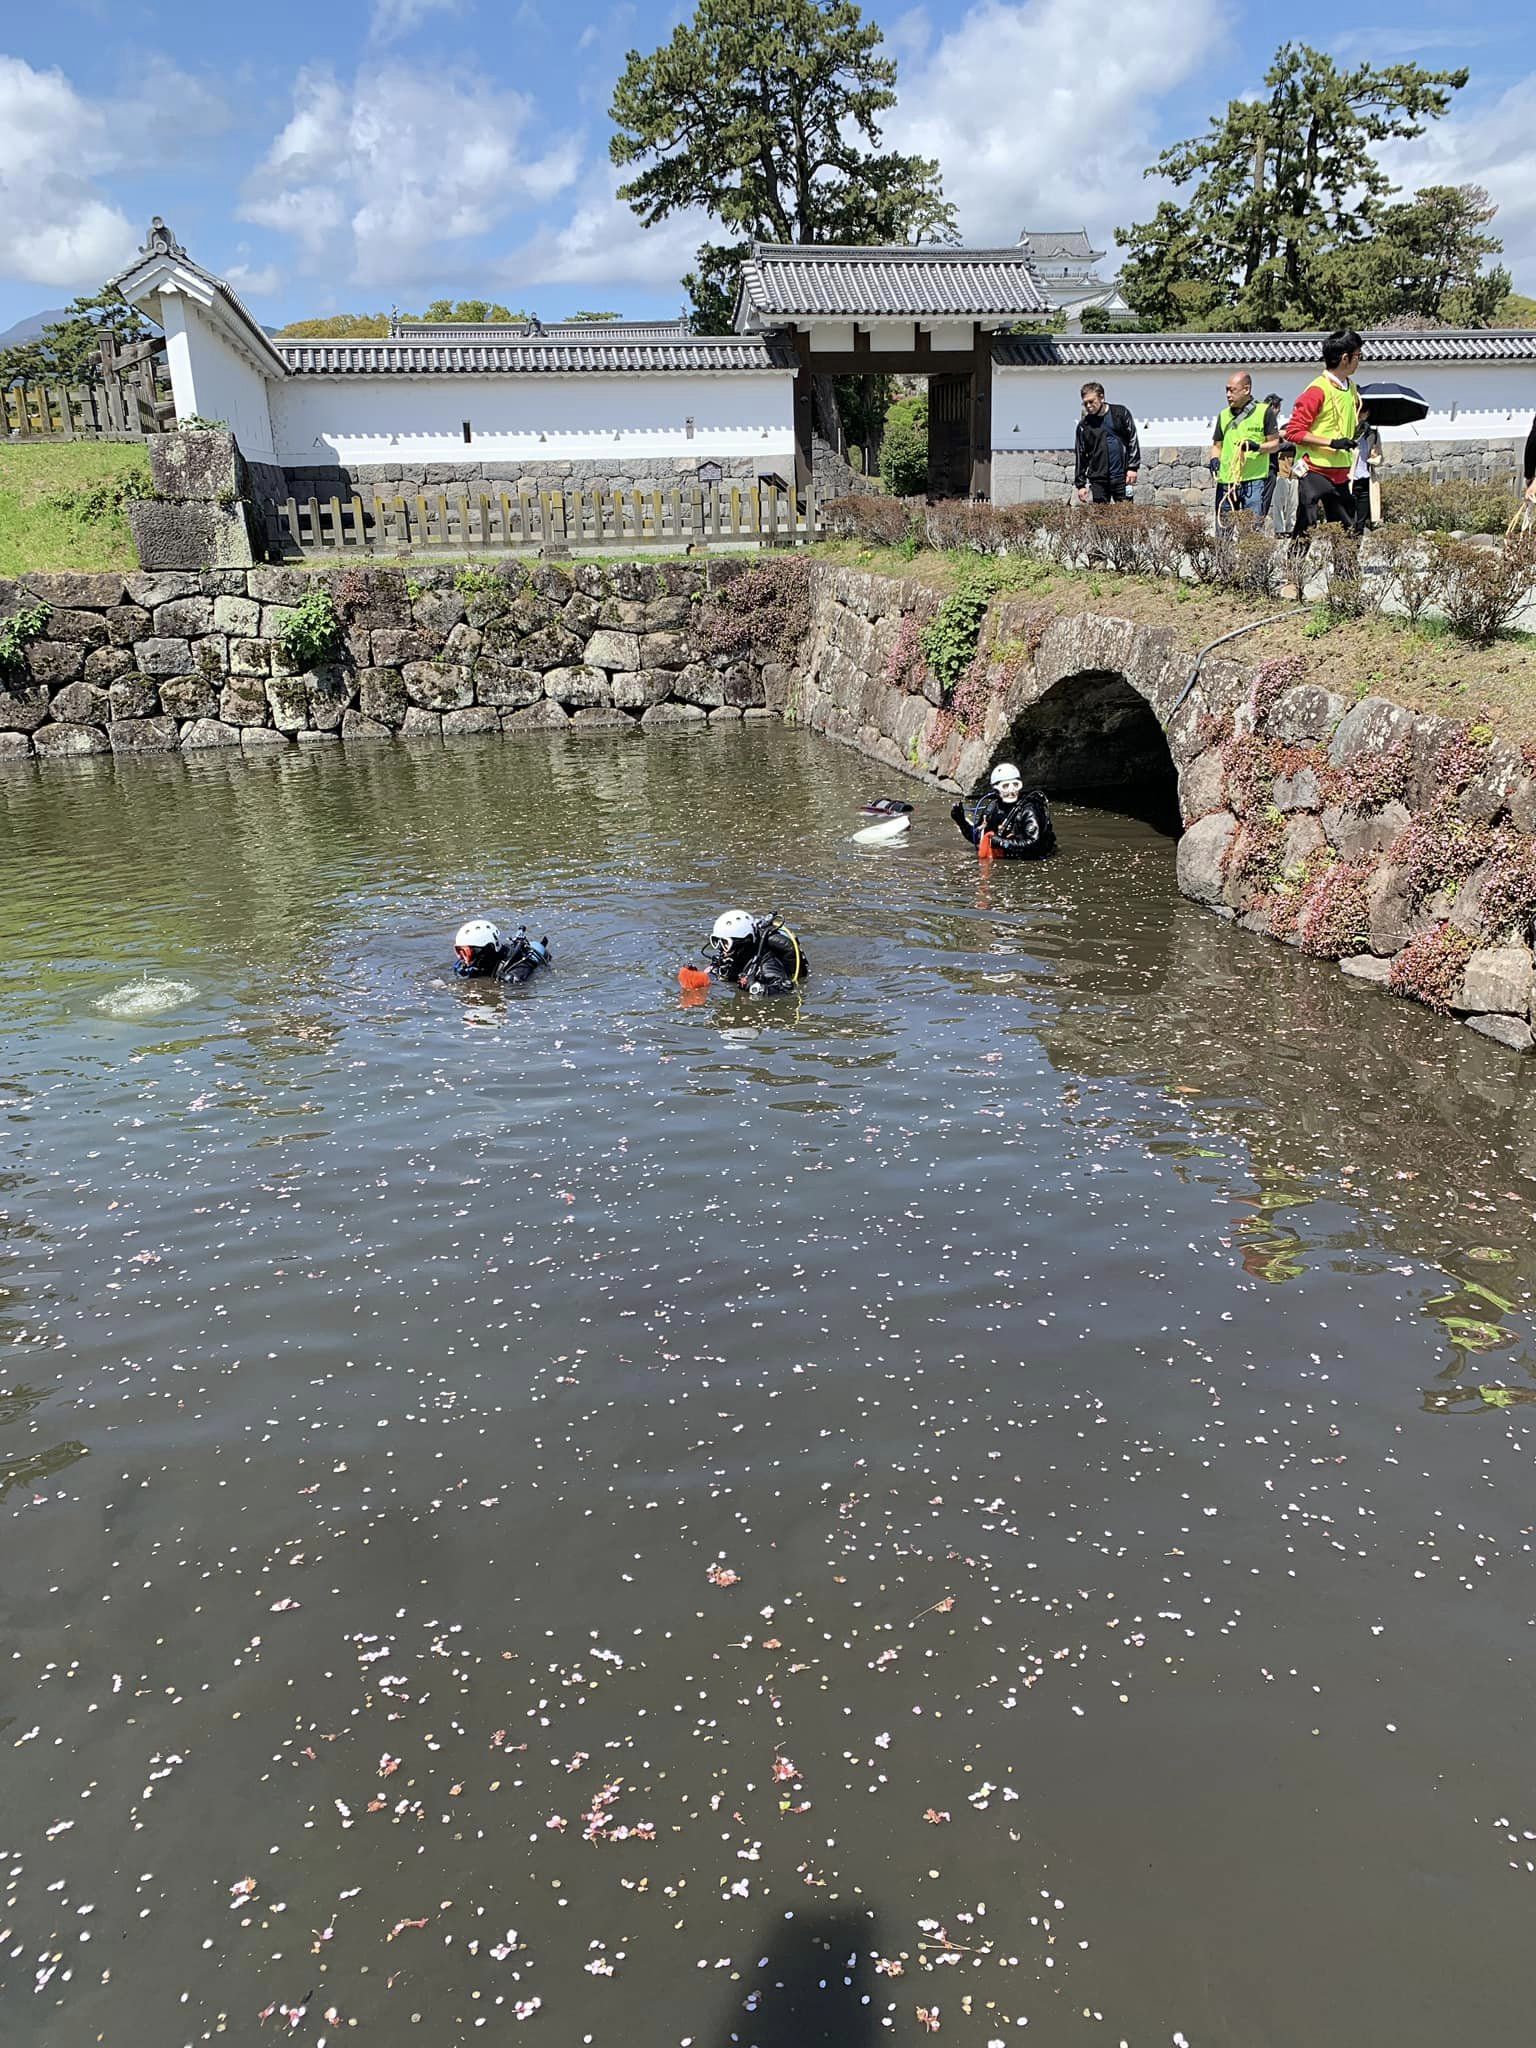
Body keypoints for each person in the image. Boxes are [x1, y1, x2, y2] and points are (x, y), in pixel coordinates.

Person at [1283, 329, 1366, 542]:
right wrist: (1332, 442)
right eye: (1358, 355)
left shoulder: (1352, 388)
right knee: (1307, 526)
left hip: (1340, 470)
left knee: (1348, 528)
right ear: (1345, 358)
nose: (1359, 360)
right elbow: (1293, 432)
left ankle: (1346, 574)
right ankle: (1295, 572)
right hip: (1314, 470)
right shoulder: (1317, 390)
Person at [1207, 372, 1280, 524]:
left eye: (1232, 390)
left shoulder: (1264, 412)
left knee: (1251, 531)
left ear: (1246, 389)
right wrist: (1214, 458)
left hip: (1253, 480)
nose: (1228, 395)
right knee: (1223, 530)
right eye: (1226, 390)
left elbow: (1274, 445)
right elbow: (1217, 445)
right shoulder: (1223, 415)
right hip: (1226, 480)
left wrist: (1257, 447)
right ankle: (1223, 549)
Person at [951, 763, 1056, 860]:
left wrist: (1001, 842)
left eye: (1015, 785)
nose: (1011, 791)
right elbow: (979, 838)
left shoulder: (1029, 810)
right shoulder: (992, 808)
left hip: (1034, 860)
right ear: (996, 789)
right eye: (1005, 786)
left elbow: (1034, 844)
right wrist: (961, 820)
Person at [700, 910, 808, 993]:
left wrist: (754, 988)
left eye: (725, 943)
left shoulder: (766, 965)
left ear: (743, 943)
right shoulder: (734, 955)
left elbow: (786, 988)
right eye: (716, 941)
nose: (720, 948)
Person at [1074, 383, 1140, 505]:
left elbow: (1132, 439)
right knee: (1101, 519)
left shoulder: (1120, 413)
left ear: (1102, 397)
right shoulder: (1084, 426)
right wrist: (1081, 485)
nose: (1088, 406)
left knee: (1127, 516)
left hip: (1122, 476)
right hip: (1098, 479)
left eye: (1091, 401)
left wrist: (1132, 467)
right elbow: (1081, 455)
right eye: (1085, 403)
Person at [453, 919, 551, 983]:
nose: (463, 959)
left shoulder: (517, 972)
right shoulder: (477, 964)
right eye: (459, 952)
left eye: (465, 953)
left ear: (484, 950)